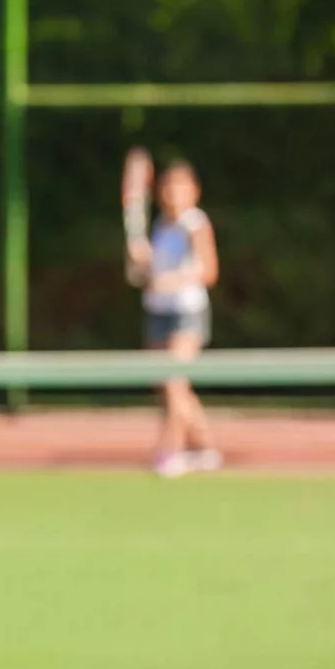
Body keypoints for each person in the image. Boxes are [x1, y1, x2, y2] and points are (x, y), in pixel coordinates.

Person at [126, 159, 222, 478]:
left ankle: (171, 451)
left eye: (181, 187)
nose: (173, 194)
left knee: (174, 380)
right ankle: (206, 448)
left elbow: (208, 270)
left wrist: (171, 279)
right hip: (158, 312)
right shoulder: (158, 227)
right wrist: (140, 264)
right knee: (166, 385)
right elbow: (145, 275)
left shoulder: (196, 224)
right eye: (167, 187)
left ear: (194, 192)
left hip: (187, 313)